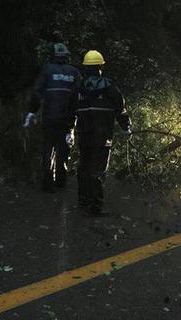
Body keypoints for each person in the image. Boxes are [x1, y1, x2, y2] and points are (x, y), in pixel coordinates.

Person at [73, 50, 131, 216]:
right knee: (98, 170)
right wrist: (126, 128)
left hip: (84, 135)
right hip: (103, 137)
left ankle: (83, 201)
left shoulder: (79, 89)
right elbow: (121, 111)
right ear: (101, 66)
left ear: (85, 68)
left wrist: (69, 131)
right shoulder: (110, 88)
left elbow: (71, 111)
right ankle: (95, 206)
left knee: (83, 166)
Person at [24, 43, 82, 193]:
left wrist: (32, 112)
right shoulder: (74, 72)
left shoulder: (46, 70)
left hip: (49, 118)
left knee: (47, 150)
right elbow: (80, 96)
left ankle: (47, 184)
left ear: (53, 56)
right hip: (68, 120)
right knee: (64, 150)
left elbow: (37, 92)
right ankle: (61, 182)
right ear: (67, 57)